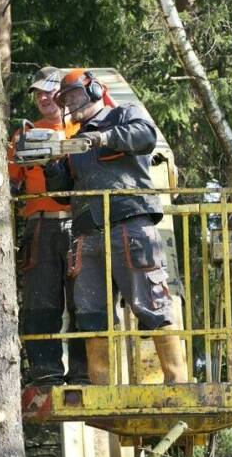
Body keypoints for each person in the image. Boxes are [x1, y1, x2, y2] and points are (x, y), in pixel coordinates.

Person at [45, 68, 187, 385]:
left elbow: (145, 136)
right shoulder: (73, 140)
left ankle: (177, 381)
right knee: (91, 312)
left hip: (129, 223)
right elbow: (61, 194)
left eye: (76, 94)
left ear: (95, 90)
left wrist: (105, 137)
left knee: (150, 301)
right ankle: (102, 387)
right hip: (87, 232)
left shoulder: (124, 114)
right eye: (67, 98)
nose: (72, 102)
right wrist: (51, 163)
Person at [8, 66, 89, 386]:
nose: (42, 97)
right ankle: (46, 372)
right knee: (41, 302)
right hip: (40, 227)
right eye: (37, 93)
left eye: (48, 91)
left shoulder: (84, 129)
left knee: (84, 301)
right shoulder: (23, 136)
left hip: (81, 225)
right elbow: (11, 184)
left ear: (65, 94)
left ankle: (84, 373)